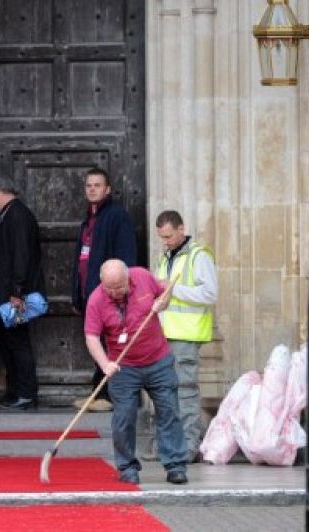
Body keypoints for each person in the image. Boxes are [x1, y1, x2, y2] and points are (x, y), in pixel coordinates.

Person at [84, 259, 188, 484]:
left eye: (119, 287)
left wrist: (164, 301)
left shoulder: (142, 276)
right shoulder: (96, 299)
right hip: (123, 366)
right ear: (102, 283)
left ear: (127, 278)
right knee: (124, 417)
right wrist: (105, 365)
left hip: (158, 359)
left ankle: (175, 465)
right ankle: (127, 467)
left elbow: (166, 286)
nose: (114, 293)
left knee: (169, 410)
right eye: (109, 288)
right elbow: (91, 336)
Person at [70, 168, 137, 412]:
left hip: (109, 293)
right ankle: (97, 393)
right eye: (89, 185)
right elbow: (81, 260)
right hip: (91, 294)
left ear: (108, 189)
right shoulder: (89, 218)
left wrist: (121, 292)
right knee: (97, 342)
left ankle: (109, 396)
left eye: (97, 185)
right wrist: (78, 294)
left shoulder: (116, 215)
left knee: (111, 343)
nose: (92, 189)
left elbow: (126, 255)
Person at [154, 210, 218, 461]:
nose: (166, 241)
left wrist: (173, 290)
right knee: (166, 391)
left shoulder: (199, 256)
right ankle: (171, 444)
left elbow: (210, 294)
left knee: (185, 391)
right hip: (163, 334)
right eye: (162, 237)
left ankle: (190, 446)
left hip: (186, 334)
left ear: (181, 229)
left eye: (169, 236)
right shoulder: (164, 256)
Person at [0, 176, 44, 411]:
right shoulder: (10, 214)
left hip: (15, 297)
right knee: (6, 341)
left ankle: (27, 395)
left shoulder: (17, 215)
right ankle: (13, 392)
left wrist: (17, 291)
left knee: (18, 342)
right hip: (6, 297)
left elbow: (21, 255)